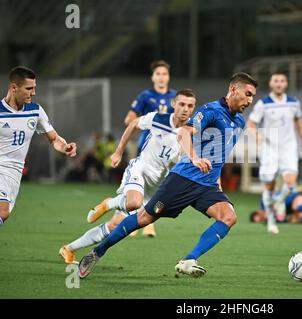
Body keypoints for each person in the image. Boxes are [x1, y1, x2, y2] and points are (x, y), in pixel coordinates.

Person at [77, 72, 258, 279]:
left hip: (206, 186)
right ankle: (97, 252)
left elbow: (219, 154)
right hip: (184, 179)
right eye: (248, 94)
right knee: (144, 218)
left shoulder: (240, 122)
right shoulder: (211, 110)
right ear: (234, 89)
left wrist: (216, 182)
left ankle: (189, 259)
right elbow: (183, 133)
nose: (250, 100)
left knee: (229, 217)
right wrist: (194, 158)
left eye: (253, 96)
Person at [59, 89, 196, 264]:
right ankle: (109, 203)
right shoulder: (158, 119)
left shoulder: (191, 132)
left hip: (155, 187)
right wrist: (118, 152)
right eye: (182, 104)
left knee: (113, 226)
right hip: (140, 170)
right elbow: (132, 124)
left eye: (190, 106)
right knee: (133, 203)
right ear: (173, 104)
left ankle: (69, 249)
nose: (185, 109)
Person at [0, 66, 77, 226]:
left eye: (34, 88)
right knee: (2, 211)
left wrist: (65, 147)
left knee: (4, 215)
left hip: (14, 174)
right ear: (14, 88)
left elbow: (54, 138)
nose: (33, 93)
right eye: (29, 89)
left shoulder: (35, 111)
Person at [247, 72, 302, 235]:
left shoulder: (293, 102)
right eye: (276, 80)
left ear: (286, 84)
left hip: (288, 147)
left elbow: (298, 121)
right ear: (270, 84)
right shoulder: (264, 103)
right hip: (270, 148)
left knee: (291, 183)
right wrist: (256, 134)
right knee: (269, 186)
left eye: (282, 80)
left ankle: (279, 202)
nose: (279, 83)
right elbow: (251, 122)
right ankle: (271, 220)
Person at [124, 60, 177, 237]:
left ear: (168, 77)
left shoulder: (176, 97)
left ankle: (147, 222)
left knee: (160, 185)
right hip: (146, 146)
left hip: (168, 150)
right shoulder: (145, 96)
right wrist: (134, 122)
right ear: (152, 77)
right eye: (158, 74)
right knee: (141, 181)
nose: (161, 77)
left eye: (164, 74)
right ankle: (133, 217)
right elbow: (130, 117)